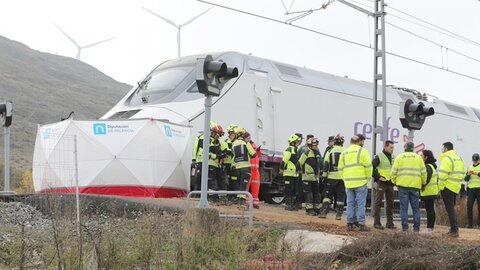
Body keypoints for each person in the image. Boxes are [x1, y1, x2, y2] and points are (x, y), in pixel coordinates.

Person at [391, 142, 426, 233]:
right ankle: (416, 229)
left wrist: (394, 181)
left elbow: (394, 172)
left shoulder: (399, 157)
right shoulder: (418, 158)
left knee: (403, 208)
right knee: (415, 208)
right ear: (413, 148)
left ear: (405, 148)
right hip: (415, 186)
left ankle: (405, 229)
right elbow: (423, 173)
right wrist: (423, 183)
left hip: (402, 186)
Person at [338, 134, 372, 231]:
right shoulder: (363, 151)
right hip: (361, 182)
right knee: (360, 204)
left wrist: (345, 179)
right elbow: (368, 167)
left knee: (350, 203)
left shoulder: (344, 153)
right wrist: (367, 179)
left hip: (348, 183)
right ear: (360, 142)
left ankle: (349, 224)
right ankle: (361, 224)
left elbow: (340, 168)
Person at [438, 141, 466, 237]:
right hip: (455, 187)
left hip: (447, 187)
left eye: (442, 148)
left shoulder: (447, 158)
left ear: (446, 149)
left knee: (450, 209)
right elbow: (463, 173)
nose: (441, 150)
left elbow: (442, 175)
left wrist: (440, 187)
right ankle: (454, 228)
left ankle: (454, 230)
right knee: (452, 208)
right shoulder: (459, 158)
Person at [319, 134, 346, 220]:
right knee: (340, 196)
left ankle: (324, 213)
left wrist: (324, 176)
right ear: (342, 142)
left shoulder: (330, 151)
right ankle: (338, 215)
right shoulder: (346, 151)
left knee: (327, 196)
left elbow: (326, 164)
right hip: (341, 178)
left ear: (334, 142)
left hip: (331, 178)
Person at [372, 140, 396, 230]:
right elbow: (372, 167)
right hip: (382, 182)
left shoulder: (394, 157)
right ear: (385, 147)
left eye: (393, 147)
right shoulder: (379, 156)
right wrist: (377, 177)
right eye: (391, 147)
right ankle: (376, 223)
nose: (392, 149)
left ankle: (390, 223)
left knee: (390, 203)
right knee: (378, 202)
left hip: (390, 183)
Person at [232, 127, 256, 203]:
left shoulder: (234, 144)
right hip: (245, 167)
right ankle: (242, 201)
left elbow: (234, 156)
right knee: (244, 184)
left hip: (237, 167)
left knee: (239, 184)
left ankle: (239, 200)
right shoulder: (245, 143)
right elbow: (253, 154)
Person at [299, 137, 322, 215]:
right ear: (310, 145)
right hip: (307, 177)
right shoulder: (306, 153)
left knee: (316, 193)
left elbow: (319, 164)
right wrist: (303, 172)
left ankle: (317, 208)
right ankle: (309, 209)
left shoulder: (317, 153)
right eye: (315, 145)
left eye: (316, 145)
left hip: (315, 178)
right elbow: (299, 163)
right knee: (309, 194)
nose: (316, 147)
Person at [420, 149, 439, 234]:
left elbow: (426, 179)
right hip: (432, 191)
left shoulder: (428, 166)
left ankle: (429, 229)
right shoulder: (432, 166)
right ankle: (430, 228)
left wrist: (422, 185)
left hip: (428, 191)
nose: (420, 157)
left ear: (426, 157)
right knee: (431, 209)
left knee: (429, 210)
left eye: (421, 156)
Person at [282, 134, 301, 211]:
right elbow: (284, 161)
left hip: (294, 174)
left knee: (294, 189)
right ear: (293, 142)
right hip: (288, 173)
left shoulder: (295, 150)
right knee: (289, 189)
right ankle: (288, 204)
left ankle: (292, 204)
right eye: (297, 141)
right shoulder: (289, 150)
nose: (298, 143)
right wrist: (281, 168)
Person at [245, 132, 262, 209]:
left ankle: (255, 202)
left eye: (249, 137)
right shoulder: (245, 144)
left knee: (256, 186)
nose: (249, 138)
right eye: (248, 137)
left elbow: (258, 155)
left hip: (256, 169)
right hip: (249, 168)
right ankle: (246, 202)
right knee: (247, 185)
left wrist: (258, 151)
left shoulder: (253, 144)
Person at [465, 153, 480, 228]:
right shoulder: (470, 167)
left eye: (476, 160)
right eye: (474, 160)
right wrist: (468, 175)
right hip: (471, 189)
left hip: (479, 189)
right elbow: (466, 179)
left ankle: (479, 224)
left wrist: (477, 173)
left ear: (479, 160)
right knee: (469, 206)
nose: (475, 162)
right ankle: (469, 224)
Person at [224, 124, 238, 192]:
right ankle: (229, 194)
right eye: (232, 134)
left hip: (235, 164)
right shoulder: (226, 142)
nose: (234, 135)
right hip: (228, 163)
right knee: (228, 179)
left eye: (234, 134)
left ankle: (233, 194)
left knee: (234, 179)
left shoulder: (237, 142)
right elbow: (226, 151)